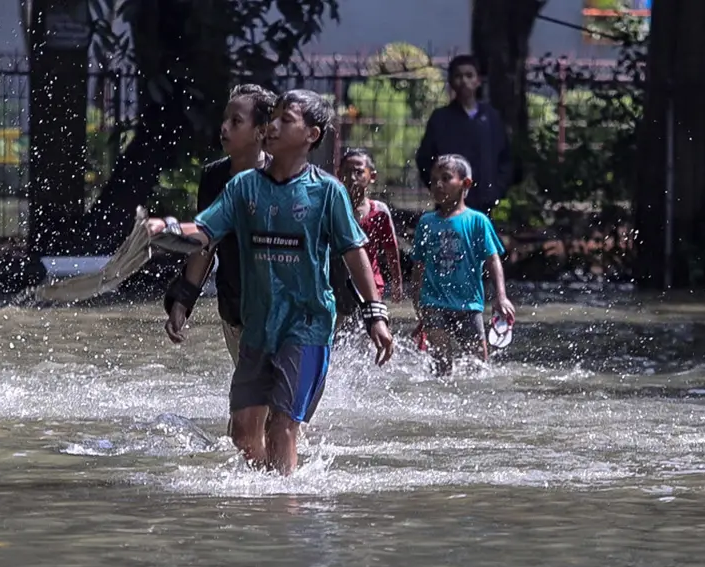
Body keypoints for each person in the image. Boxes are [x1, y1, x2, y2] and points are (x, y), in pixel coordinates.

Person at [145, 89, 395, 475]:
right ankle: (268, 496)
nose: (272, 127)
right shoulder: (242, 187)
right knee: (244, 432)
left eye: (285, 120)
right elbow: (205, 234)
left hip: (307, 326)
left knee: (282, 425)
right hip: (257, 327)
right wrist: (166, 229)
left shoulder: (328, 191)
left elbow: (354, 252)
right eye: (272, 117)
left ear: (311, 135)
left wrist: (374, 313)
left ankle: (284, 512)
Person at [164, 84, 275, 365]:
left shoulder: (284, 177)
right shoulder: (214, 178)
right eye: (225, 119)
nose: (224, 127)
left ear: (261, 130)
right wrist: (183, 301)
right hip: (235, 308)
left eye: (236, 121)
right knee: (250, 401)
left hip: (282, 313)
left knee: (275, 402)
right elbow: (205, 245)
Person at [411, 154, 514, 376]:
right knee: (441, 368)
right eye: (434, 179)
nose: (438, 184)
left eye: (446, 178)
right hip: (433, 303)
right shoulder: (426, 223)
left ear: (465, 183)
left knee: (478, 366)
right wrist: (418, 307)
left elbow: (493, 259)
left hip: (469, 305)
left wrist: (501, 296)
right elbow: (418, 266)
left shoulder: (477, 221)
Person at [414, 55, 513, 216]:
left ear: (478, 80)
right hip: (449, 205)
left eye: (469, 75)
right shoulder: (441, 118)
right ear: (451, 81)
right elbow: (425, 159)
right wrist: (441, 187)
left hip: (485, 203)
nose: (464, 81)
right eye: (458, 76)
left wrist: (496, 190)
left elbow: (505, 159)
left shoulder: (491, 118)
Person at [338, 148, 403, 304]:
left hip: (371, 283)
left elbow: (391, 249)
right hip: (337, 283)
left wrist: (397, 282)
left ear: (372, 176)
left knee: (371, 324)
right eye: (347, 172)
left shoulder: (379, 212)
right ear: (339, 174)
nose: (352, 177)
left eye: (359, 172)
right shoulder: (333, 208)